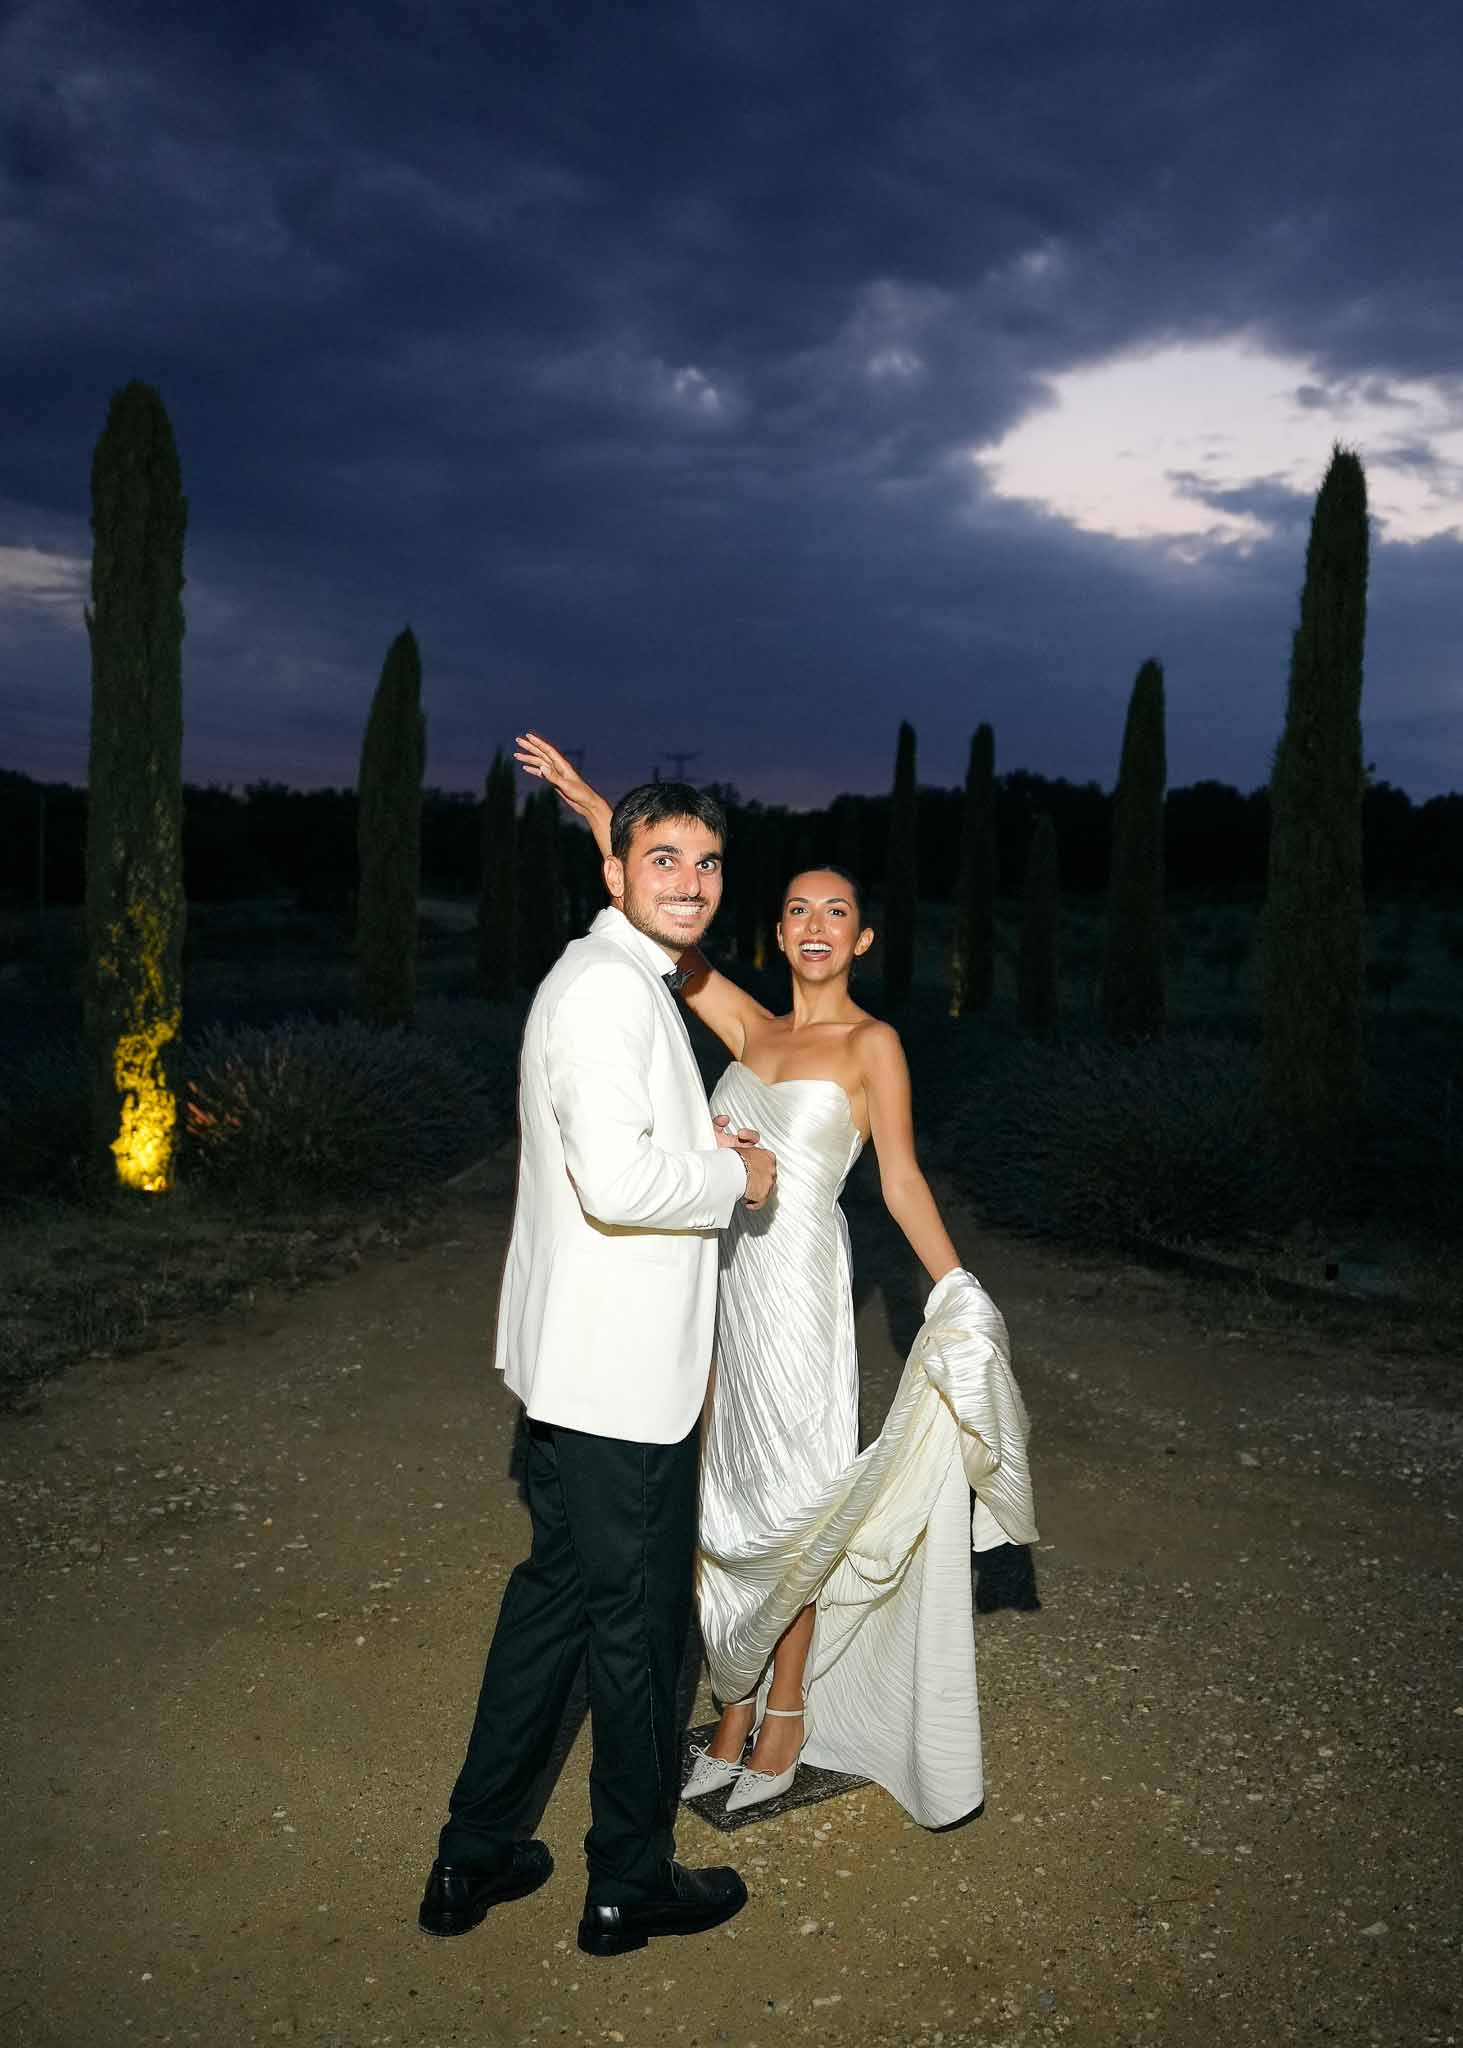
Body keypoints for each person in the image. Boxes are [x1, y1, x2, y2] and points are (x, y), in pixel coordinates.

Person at [516, 734, 1037, 1829]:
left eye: (835, 911)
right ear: (779, 928)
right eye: (796, 908)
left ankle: (785, 1714)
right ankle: (735, 1700)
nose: (812, 924)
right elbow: (656, 904)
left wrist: (955, 1285)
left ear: (861, 937)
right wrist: (592, 806)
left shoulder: (872, 1046)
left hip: (799, 1291)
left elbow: (899, 1179)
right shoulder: (749, 1026)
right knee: (723, 1500)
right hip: (719, 1289)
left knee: (795, 1506)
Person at [418, 780, 777, 1956]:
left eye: (707, 862)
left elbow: (613, 1150)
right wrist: (733, 1177)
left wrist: (694, 1142)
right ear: (614, 871)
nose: (690, 881)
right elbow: (618, 1187)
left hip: (581, 1371)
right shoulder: (604, 992)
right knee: (640, 1635)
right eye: (662, 857)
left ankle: (475, 1852)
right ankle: (628, 1879)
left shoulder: (618, 975)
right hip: (617, 1383)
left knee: (554, 1606)